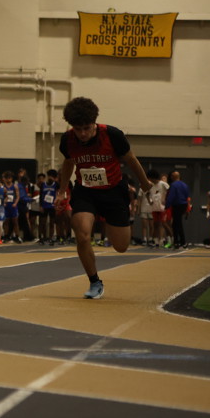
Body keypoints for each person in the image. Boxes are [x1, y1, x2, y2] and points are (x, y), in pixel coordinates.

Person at [56, 97, 151, 299]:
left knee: (121, 246)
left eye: (87, 128)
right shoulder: (68, 140)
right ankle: (95, 282)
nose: (82, 133)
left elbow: (131, 160)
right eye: (78, 129)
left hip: (113, 191)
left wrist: (144, 184)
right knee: (82, 235)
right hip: (85, 191)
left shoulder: (112, 135)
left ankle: (111, 221)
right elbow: (68, 163)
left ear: (95, 123)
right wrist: (62, 191)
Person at [166, 170, 191, 249]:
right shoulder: (185, 185)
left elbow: (171, 196)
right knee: (177, 223)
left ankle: (181, 242)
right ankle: (178, 241)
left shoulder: (173, 185)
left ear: (173, 177)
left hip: (177, 205)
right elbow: (187, 197)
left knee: (177, 223)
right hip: (183, 205)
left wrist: (167, 205)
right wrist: (187, 208)